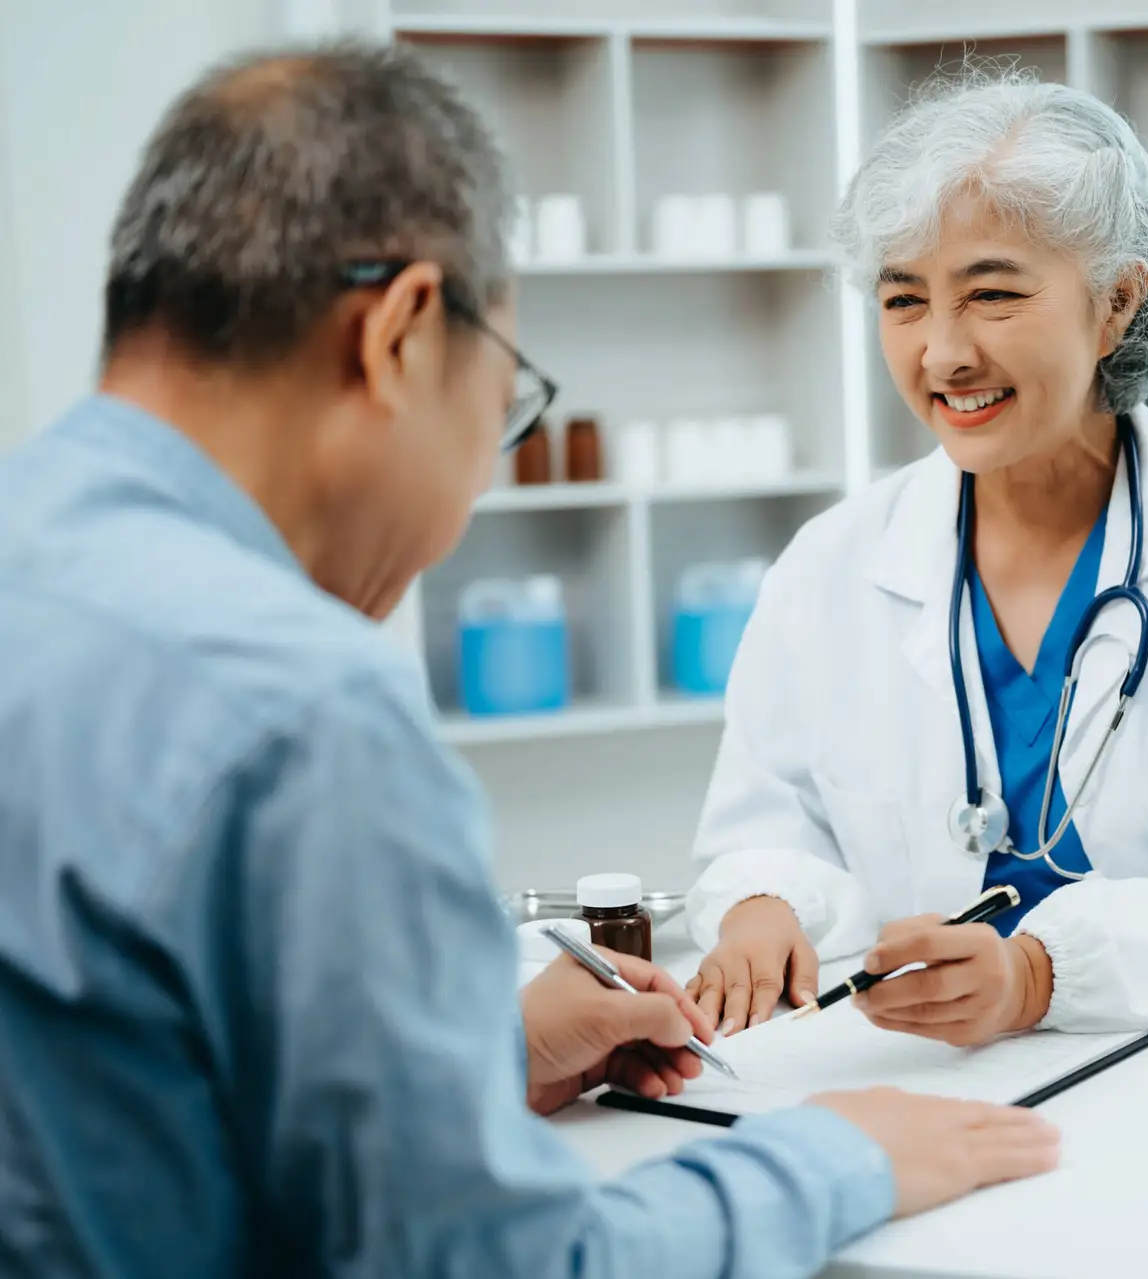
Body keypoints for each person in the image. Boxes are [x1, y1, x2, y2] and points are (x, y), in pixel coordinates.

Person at [0, 42, 1056, 1278]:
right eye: (505, 403)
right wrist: (840, 1156)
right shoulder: (302, 716)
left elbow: (113, 1090)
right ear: (398, 334)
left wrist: (477, 1060)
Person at [683, 71, 1148, 1045]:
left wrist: (1039, 976)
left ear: (1115, 303)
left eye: (992, 294)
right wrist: (763, 904)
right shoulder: (828, 566)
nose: (943, 353)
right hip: (930, 1076)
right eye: (905, 300)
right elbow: (763, 826)